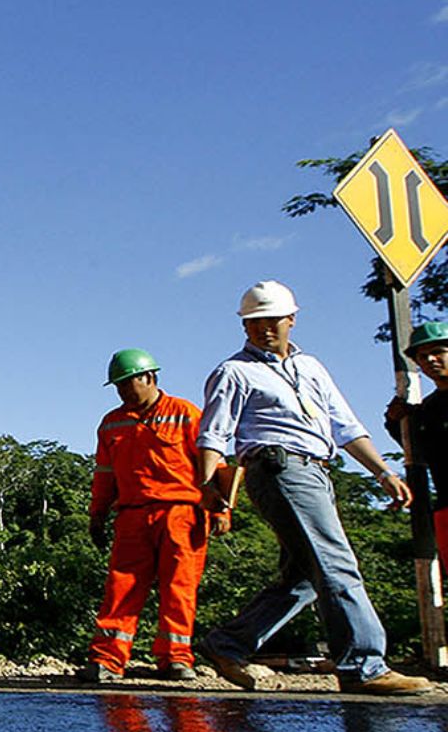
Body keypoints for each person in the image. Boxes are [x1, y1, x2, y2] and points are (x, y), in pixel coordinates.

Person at [194, 281, 431, 695]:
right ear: (244, 325)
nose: (265, 328)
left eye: (273, 320)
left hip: (318, 470)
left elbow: (346, 426)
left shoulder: (313, 368)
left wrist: (383, 473)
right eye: (255, 322)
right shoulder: (234, 371)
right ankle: (363, 665)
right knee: (337, 564)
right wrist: (208, 487)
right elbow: (214, 435)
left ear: (292, 319)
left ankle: (228, 643)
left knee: (305, 577)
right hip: (278, 469)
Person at [83, 349, 206, 683]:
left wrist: (220, 508)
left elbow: (212, 464)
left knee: (179, 589)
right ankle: (108, 659)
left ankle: (176, 659)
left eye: (128, 383)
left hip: (181, 513)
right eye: (118, 386)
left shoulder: (185, 414)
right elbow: (104, 474)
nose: (123, 391)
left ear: (150, 378)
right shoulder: (112, 423)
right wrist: (97, 514)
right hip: (132, 516)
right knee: (121, 588)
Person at [385, 320, 448, 563]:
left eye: (438, 352)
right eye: (423, 356)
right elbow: (417, 448)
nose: (430, 360)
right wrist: (396, 420)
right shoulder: (426, 412)